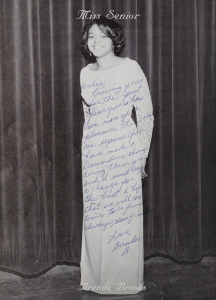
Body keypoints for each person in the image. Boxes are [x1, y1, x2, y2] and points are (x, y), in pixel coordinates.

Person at [79, 16, 154, 295]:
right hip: (94, 153)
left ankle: (123, 280)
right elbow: (88, 116)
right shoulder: (86, 73)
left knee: (122, 218)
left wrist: (140, 158)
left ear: (114, 40)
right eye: (91, 37)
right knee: (97, 217)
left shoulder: (130, 68)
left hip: (123, 149)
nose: (96, 41)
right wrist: (87, 152)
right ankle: (97, 279)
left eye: (103, 36)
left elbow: (145, 115)